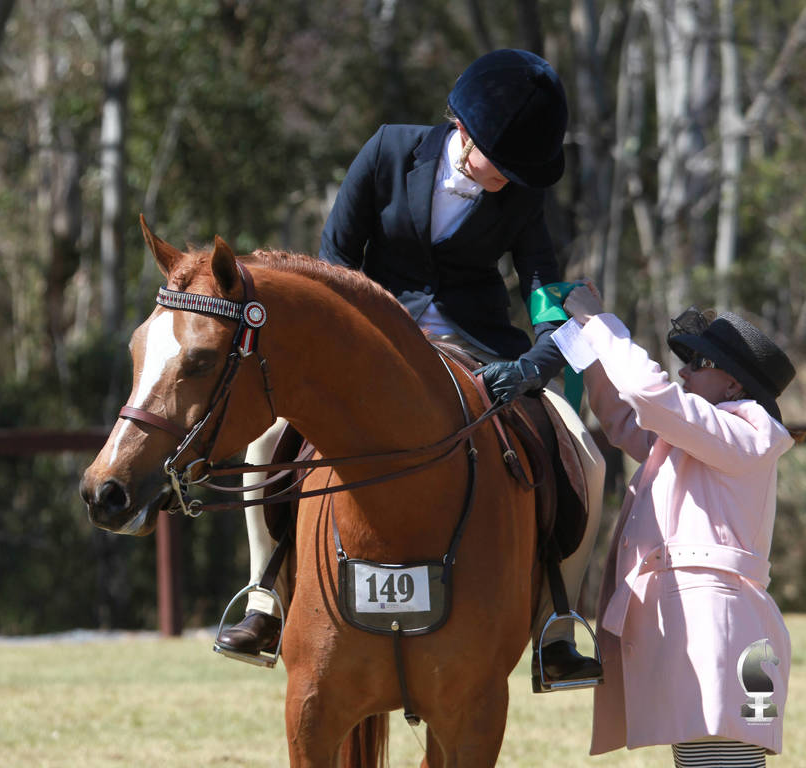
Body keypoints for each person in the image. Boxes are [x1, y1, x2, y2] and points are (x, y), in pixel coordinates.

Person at [216, 49, 604, 691]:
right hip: (375, 343)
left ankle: (556, 626)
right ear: (465, 132)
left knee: (584, 453)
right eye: (500, 165)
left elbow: (543, 286)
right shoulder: (388, 151)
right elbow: (334, 258)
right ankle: (265, 597)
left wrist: (536, 363)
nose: (508, 179)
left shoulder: (522, 193)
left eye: (517, 171)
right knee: (265, 442)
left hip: (479, 349)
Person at [558, 281, 795, 766]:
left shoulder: (747, 430)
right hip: (712, 632)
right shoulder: (704, 437)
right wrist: (577, 333)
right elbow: (622, 416)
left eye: (699, 363)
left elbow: (650, 394)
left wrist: (602, 322)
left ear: (734, 385)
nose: (684, 370)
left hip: (724, 635)